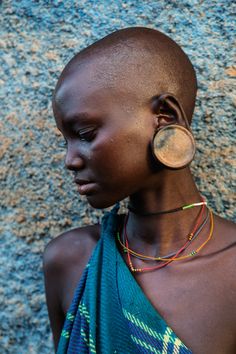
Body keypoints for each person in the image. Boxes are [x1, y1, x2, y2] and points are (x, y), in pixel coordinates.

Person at [43, 27, 236, 354]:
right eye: (66, 140)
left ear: (165, 118)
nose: (70, 160)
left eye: (86, 134)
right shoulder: (69, 261)